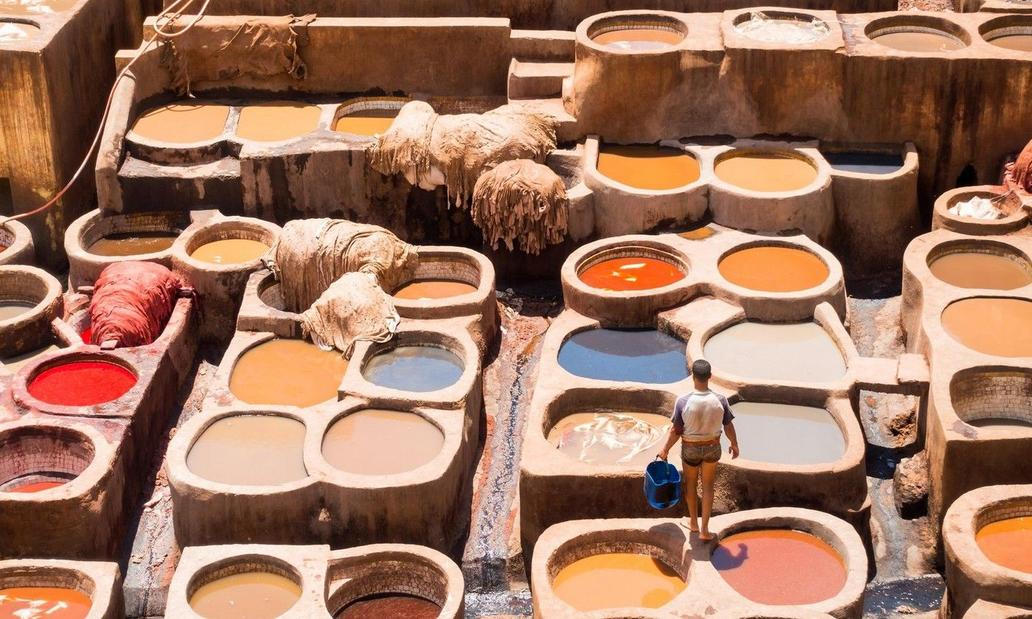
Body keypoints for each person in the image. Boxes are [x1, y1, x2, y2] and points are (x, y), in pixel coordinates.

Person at [657, 359, 739, 540]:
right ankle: (705, 530)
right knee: (708, 485)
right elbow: (728, 425)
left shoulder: (683, 401)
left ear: (693, 376)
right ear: (710, 376)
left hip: (690, 448)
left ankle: (693, 523)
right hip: (712, 446)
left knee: (691, 485)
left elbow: (676, 430)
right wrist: (734, 444)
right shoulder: (720, 400)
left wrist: (665, 450)